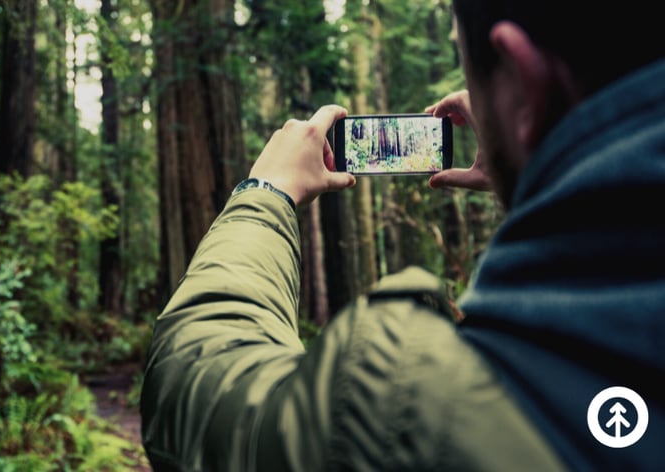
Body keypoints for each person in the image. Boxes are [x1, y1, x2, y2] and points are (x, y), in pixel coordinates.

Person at [140, 0, 665, 470]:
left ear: (521, 80)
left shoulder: (399, 413)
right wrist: (534, 161)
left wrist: (266, 192)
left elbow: (195, 375)